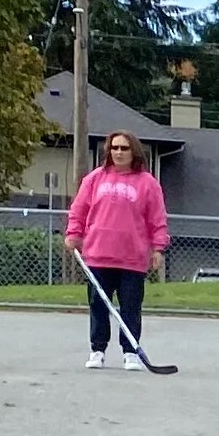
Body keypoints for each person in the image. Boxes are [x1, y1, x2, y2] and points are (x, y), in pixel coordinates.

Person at [65, 129, 169, 366]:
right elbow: (79, 209)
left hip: (132, 258)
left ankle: (130, 352)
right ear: (108, 151)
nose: (119, 153)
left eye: (124, 148)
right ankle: (97, 351)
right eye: (115, 148)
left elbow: (157, 219)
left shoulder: (148, 184)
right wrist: (74, 234)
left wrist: (158, 248)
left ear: (134, 152)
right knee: (98, 305)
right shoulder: (94, 179)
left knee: (131, 307)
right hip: (98, 255)